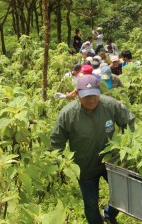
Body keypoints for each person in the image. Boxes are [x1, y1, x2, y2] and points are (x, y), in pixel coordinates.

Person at [50, 75, 135, 224]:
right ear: (77, 94)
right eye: (86, 96)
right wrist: (58, 164)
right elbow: (56, 141)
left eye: (94, 96)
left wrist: (128, 147)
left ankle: (109, 213)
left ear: (99, 92)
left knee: (124, 193)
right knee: (90, 204)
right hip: (85, 166)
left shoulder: (110, 105)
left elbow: (129, 122)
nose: (91, 100)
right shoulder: (67, 114)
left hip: (111, 162)